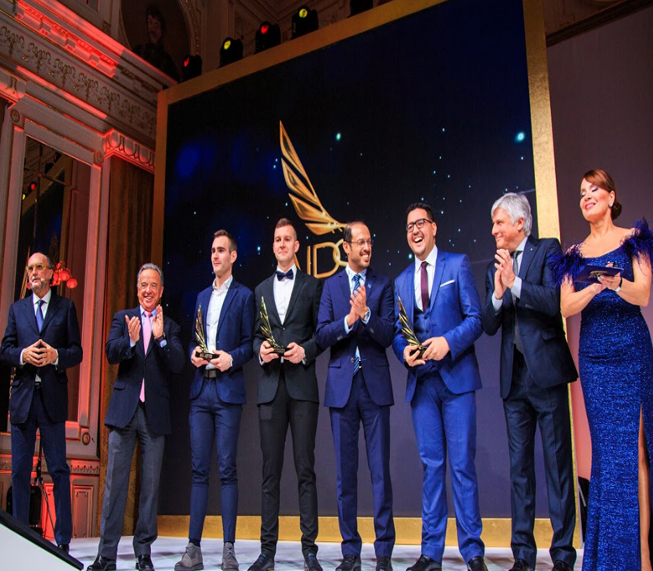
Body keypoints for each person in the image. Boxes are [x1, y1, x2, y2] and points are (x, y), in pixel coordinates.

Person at [556, 169, 653, 571]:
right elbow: (566, 306)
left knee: (636, 452)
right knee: (608, 455)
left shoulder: (635, 239)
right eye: (582, 191)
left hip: (631, 352)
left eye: (594, 188)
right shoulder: (574, 254)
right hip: (595, 358)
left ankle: (642, 556)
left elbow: (643, 294)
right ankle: (609, 556)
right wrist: (594, 287)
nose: (587, 195)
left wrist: (615, 283)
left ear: (611, 197)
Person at [480, 193, 577, 571]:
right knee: (520, 471)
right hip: (514, 382)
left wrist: (515, 283)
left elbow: (555, 301)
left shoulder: (547, 250)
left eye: (499, 222)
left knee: (558, 468)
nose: (494, 230)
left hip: (547, 376)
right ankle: (522, 554)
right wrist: (498, 293)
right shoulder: (494, 267)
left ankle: (563, 554)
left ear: (520, 223)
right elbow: (489, 325)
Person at [392, 203, 487, 571]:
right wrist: (404, 353)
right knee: (431, 467)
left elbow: (476, 319)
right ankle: (430, 552)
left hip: (457, 379)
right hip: (422, 385)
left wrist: (448, 342)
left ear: (434, 228)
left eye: (421, 223)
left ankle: (472, 551)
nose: (415, 230)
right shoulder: (401, 280)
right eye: (409, 226)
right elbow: (398, 332)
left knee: (462, 466)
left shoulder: (457, 264)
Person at [88, 263, 185, 571]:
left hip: (154, 414)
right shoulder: (123, 318)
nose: (148, 290)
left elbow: (178, 364)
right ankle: (106, 556)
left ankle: (143, 553)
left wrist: (161, 338)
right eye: (143, 285)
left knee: (150, 487)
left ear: (161, 291)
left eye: (153, 285)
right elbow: (110, 352)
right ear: (137, 288)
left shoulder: (169, 326)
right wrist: (130, 341)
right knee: (114, 485)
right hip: (125, 411)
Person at [315, 221, 395, 571]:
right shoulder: (331, 286)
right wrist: (349, 320)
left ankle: (384, 552)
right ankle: (350, 550)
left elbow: (388, 334)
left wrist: (367, 315)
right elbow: (321, 335)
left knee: (380, 474)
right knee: (345, 476)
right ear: (345, 247)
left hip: (374, 387)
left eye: (370, 242)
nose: (367, 248)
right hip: (342, 389)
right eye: (360, 242)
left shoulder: (382, 284)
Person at [175, 229, 255, 571]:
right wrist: (194, 352)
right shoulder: (201, 296)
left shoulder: (244, 296)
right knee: (198, 470)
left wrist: (231, 358)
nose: (215, 256)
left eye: (221, 250)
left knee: (226, 468)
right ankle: (193, 549)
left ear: (233, 256)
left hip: (227, 391)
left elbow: (250, 344)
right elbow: (195, 339)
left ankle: (228, 549)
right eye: (212, 250)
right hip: (200, 391)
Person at [249, 218, 324, 571]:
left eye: (287, 239)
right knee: (270, 473)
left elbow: (322, 334)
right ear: (274, 246)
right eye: (277, 239)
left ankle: (310, 551)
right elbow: (254, 337)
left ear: (297, 246)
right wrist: (260, 350)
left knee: (305, 470)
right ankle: (267, 552)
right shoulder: (260, 289)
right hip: (270, 387)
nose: (281, 244)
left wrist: (305, 350)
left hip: (302, 386)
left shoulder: (312, 285)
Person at [1, 252, 82, 553]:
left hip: (51, 400)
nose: (34, 273)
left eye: (39, 268)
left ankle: (63, 540)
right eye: (30, 269)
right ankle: (21, 538)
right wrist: (23, 355)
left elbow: (76, 351)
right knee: (19, 472)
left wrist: (55, 356)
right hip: (23, 401)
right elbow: (5, 349)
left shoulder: (65, 308)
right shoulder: (17, 309)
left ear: (50, 274)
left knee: (59, 469)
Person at [133, 4, 180, 81]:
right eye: (150, 22)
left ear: (162, 32)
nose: (152, 29)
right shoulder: (138, 51)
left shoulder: (168, 63)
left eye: (157, 26)